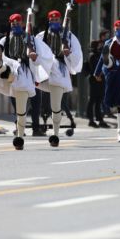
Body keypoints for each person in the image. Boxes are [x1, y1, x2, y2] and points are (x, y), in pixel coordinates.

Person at [0, 13, 53, 150]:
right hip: (10, 71)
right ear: (10, 24)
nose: (15, 25)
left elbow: (34, 52)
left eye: (18, 23)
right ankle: (1, 65)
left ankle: (19, 136)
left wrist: (32, 55)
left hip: (23, 74)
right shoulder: (5, 38)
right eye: (13, 23)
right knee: (7, 70)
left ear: (22, 24)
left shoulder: (28, 38)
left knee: (21, 110)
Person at [37, 10, 83, 146]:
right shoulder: (41, 36)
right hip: (44, 72)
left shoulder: (69, 36)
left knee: (55, 105)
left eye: (57, 20)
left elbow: (77, 54)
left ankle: (55, 134)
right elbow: (33, 50)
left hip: (58, 72)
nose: (55, 22)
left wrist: (68, 53)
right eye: (52, 20)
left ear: (60, 20)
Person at [94, 20, 120, 142]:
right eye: (117, 29)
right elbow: (101, 58)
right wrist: (97, 72)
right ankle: (110, 61)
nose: (119, 31)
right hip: (110, 73)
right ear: (114, 30)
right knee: (109, 99)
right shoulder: (109, 42)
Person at [87, 40, 109, 128]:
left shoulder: (100, 55)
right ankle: (91, 120)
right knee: (92, 100)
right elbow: (93, 68)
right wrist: (97, 75)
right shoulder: (92, 56)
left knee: (99, 100)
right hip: (94, 80)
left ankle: (100, 119)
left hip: (101, 80)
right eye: (99, 45)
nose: (100, 46)